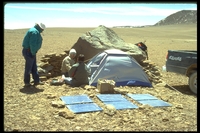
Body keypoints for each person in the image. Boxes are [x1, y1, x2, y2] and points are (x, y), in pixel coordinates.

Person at [22, 23, 46, 87]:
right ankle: (27, 82)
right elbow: (32, 44)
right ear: (40, 28)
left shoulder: (34, 31)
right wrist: (32, 53)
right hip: (29, 51)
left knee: (34, 67)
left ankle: (36, 81)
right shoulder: (34, 32)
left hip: (30, 51)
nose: (43, 31)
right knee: (29, 68)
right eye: (42, 29)